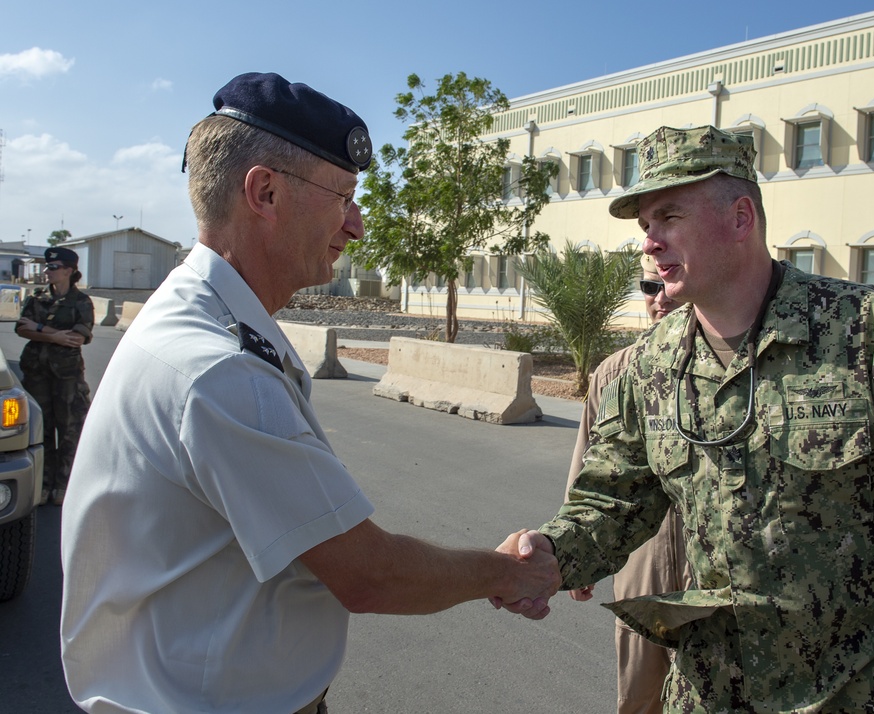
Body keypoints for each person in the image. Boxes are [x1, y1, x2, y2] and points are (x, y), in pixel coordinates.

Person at [59, 72, 560, 714]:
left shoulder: (213, 324)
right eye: (343, 197)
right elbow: (368, 572)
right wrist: (510, 573)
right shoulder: (214, 369)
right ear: (264, 192)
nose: (355, 226)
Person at [499, 125, 874, 711]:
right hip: (712, 693)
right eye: (645, 227)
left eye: (669, 217)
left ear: (742, 219)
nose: (649, 243)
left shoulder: (870, 337)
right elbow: (613, 501)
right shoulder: (651, 368)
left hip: (868, 692)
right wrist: (550, 555)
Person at [564, 253, 690, 714]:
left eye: (666, 285)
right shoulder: (614, 373)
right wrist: (576, 555)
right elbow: (587, 471)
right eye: (647, 287)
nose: (659, 298)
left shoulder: (734, 368)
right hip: (643, 565)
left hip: (712, 569)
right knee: (640, 697)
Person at [14, 246, 93, 506]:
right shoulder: (36, 298)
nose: (47, 271)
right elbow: (22, 329)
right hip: (37, 374)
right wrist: (53, 334)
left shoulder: (81, 302)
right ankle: (44, 484)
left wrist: (41, 329)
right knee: (41, 430)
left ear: (69, 271)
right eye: (48, 267)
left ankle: (64, 485)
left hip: (67, 378)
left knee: (69, 430)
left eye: (53, 267)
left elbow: (77, 338)